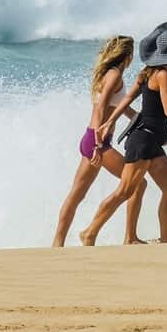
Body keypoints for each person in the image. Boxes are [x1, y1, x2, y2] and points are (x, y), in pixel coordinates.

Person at [80, 21, 167, 246]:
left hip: (149, 140)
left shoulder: (146, 73)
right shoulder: (163, 75)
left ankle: (166, 240)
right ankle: (89, 232)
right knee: (124, 191)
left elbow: (127, 99)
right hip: (144, 141)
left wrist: (110, 120)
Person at [51, 35, 147, 247]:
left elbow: (121, 109)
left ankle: (57, 245)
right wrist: (96, 144)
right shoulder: (114, 75)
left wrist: (145, 121)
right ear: (128, 56)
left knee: (76, 195)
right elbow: (102, 108)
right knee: (138, 183)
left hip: (91, 139)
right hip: (97, 142)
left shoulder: (110, 74)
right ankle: (125, 237)